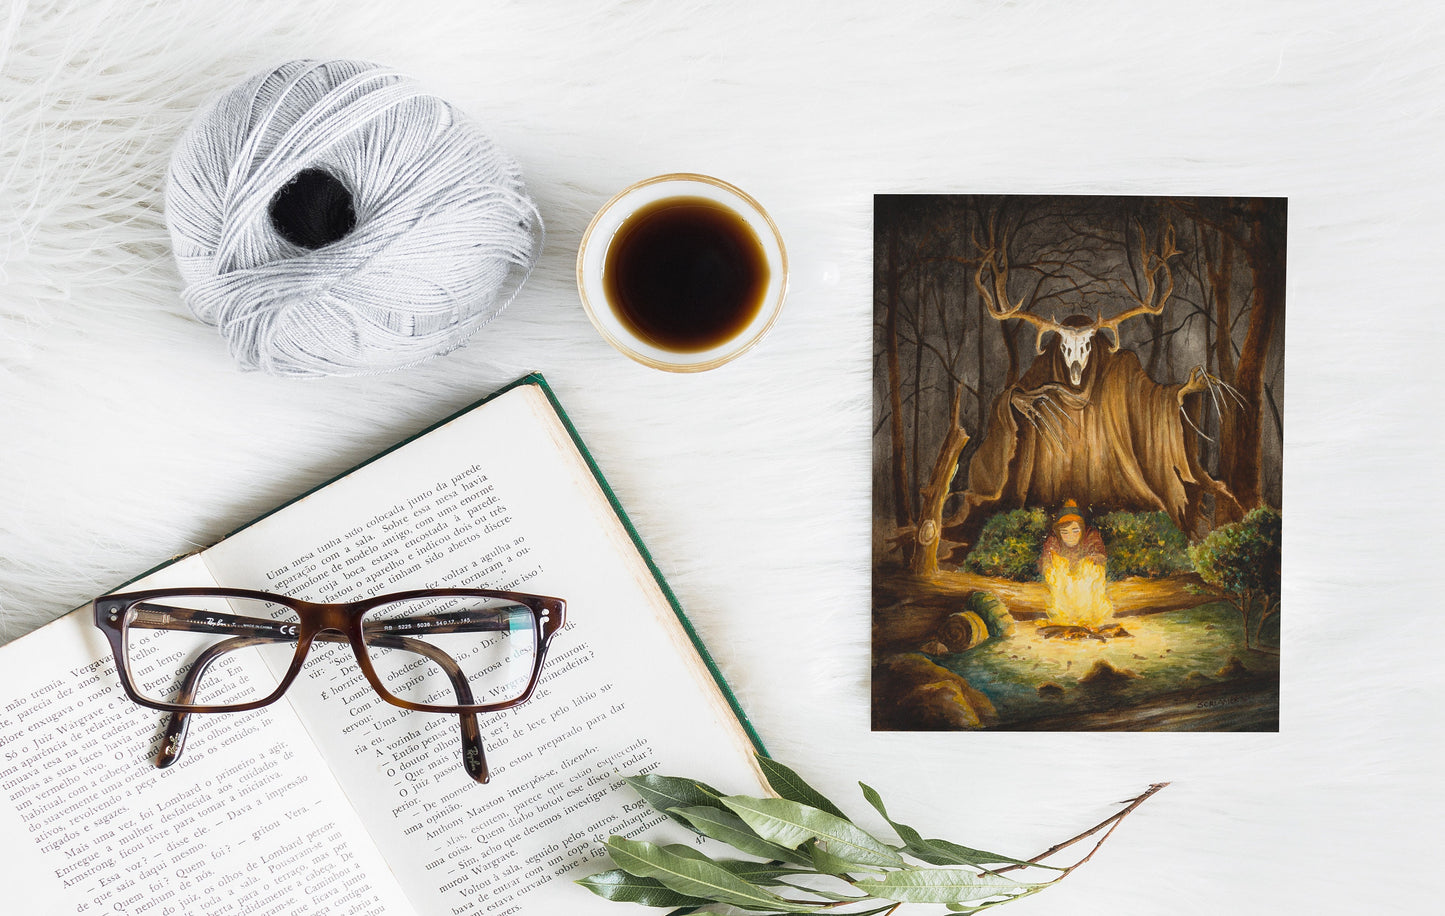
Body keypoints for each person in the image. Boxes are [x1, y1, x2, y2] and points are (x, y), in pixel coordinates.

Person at [1039, 499, 1106, 574]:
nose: (1070, 536)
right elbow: (1045, 563)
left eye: (1075, 531)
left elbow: (1101, 558)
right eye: (1065, 532)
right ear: (1058, 533)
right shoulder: (1054, 541)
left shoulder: (1091, 538)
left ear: (1082, 530)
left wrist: (1088, 562)